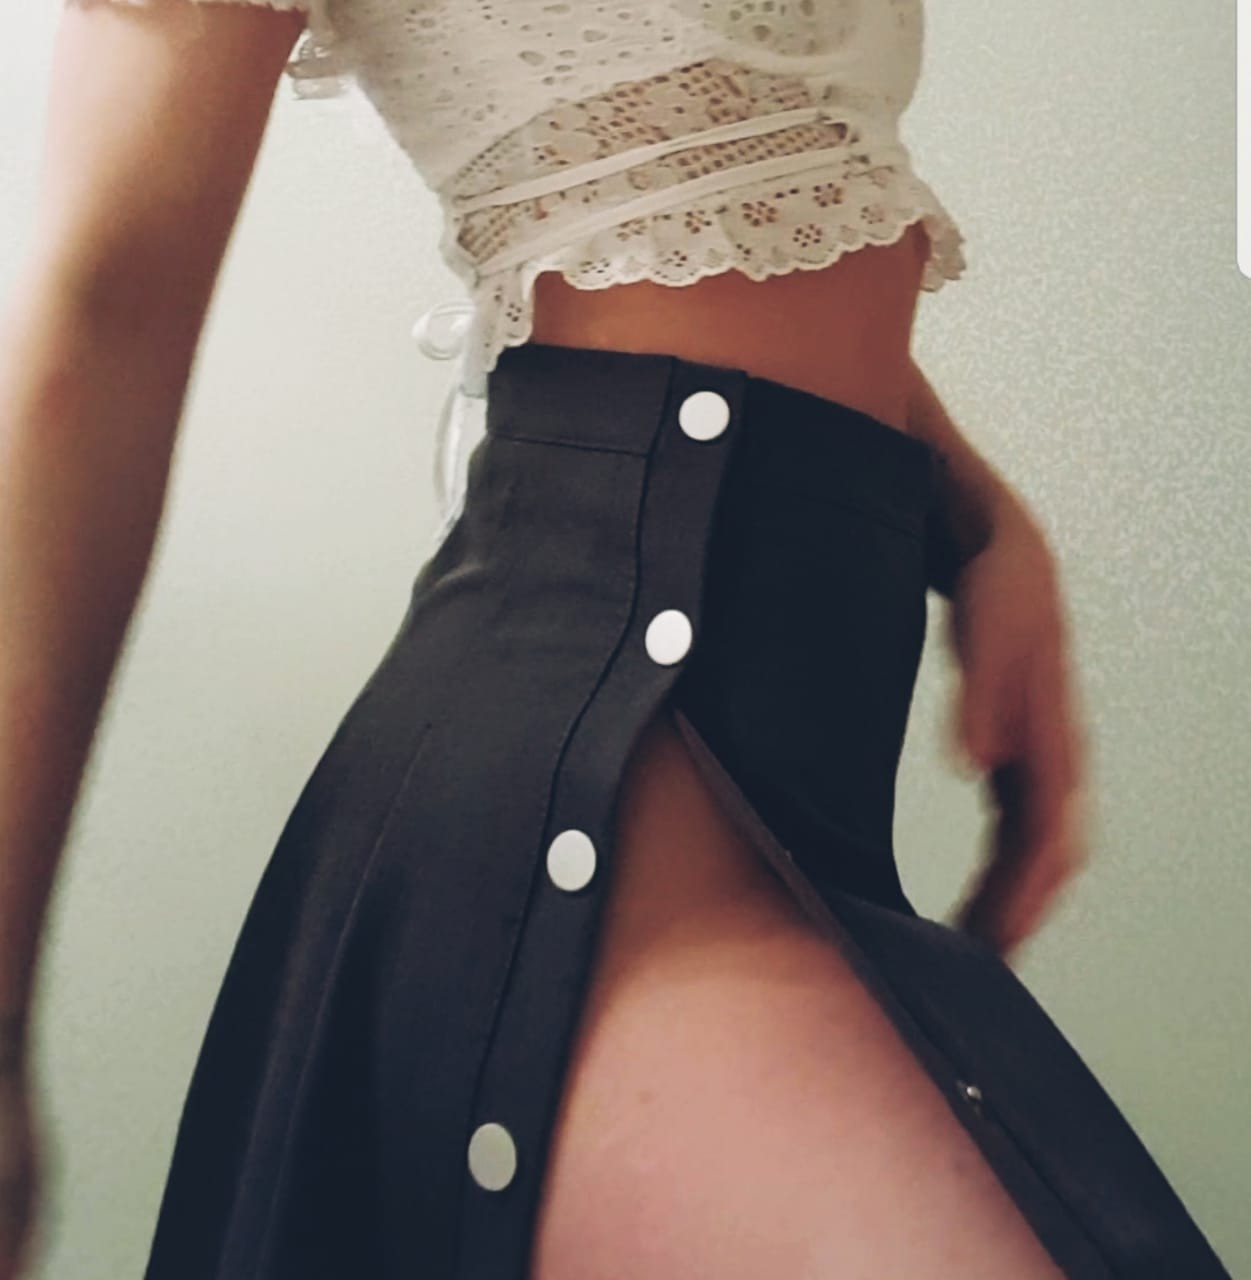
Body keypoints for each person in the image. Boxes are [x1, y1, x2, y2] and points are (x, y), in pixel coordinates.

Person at [0, 1, 1231, 1278]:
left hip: (788, 741)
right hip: (601, 743)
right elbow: (103, 307)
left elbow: (717, 181)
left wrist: (974, 518)